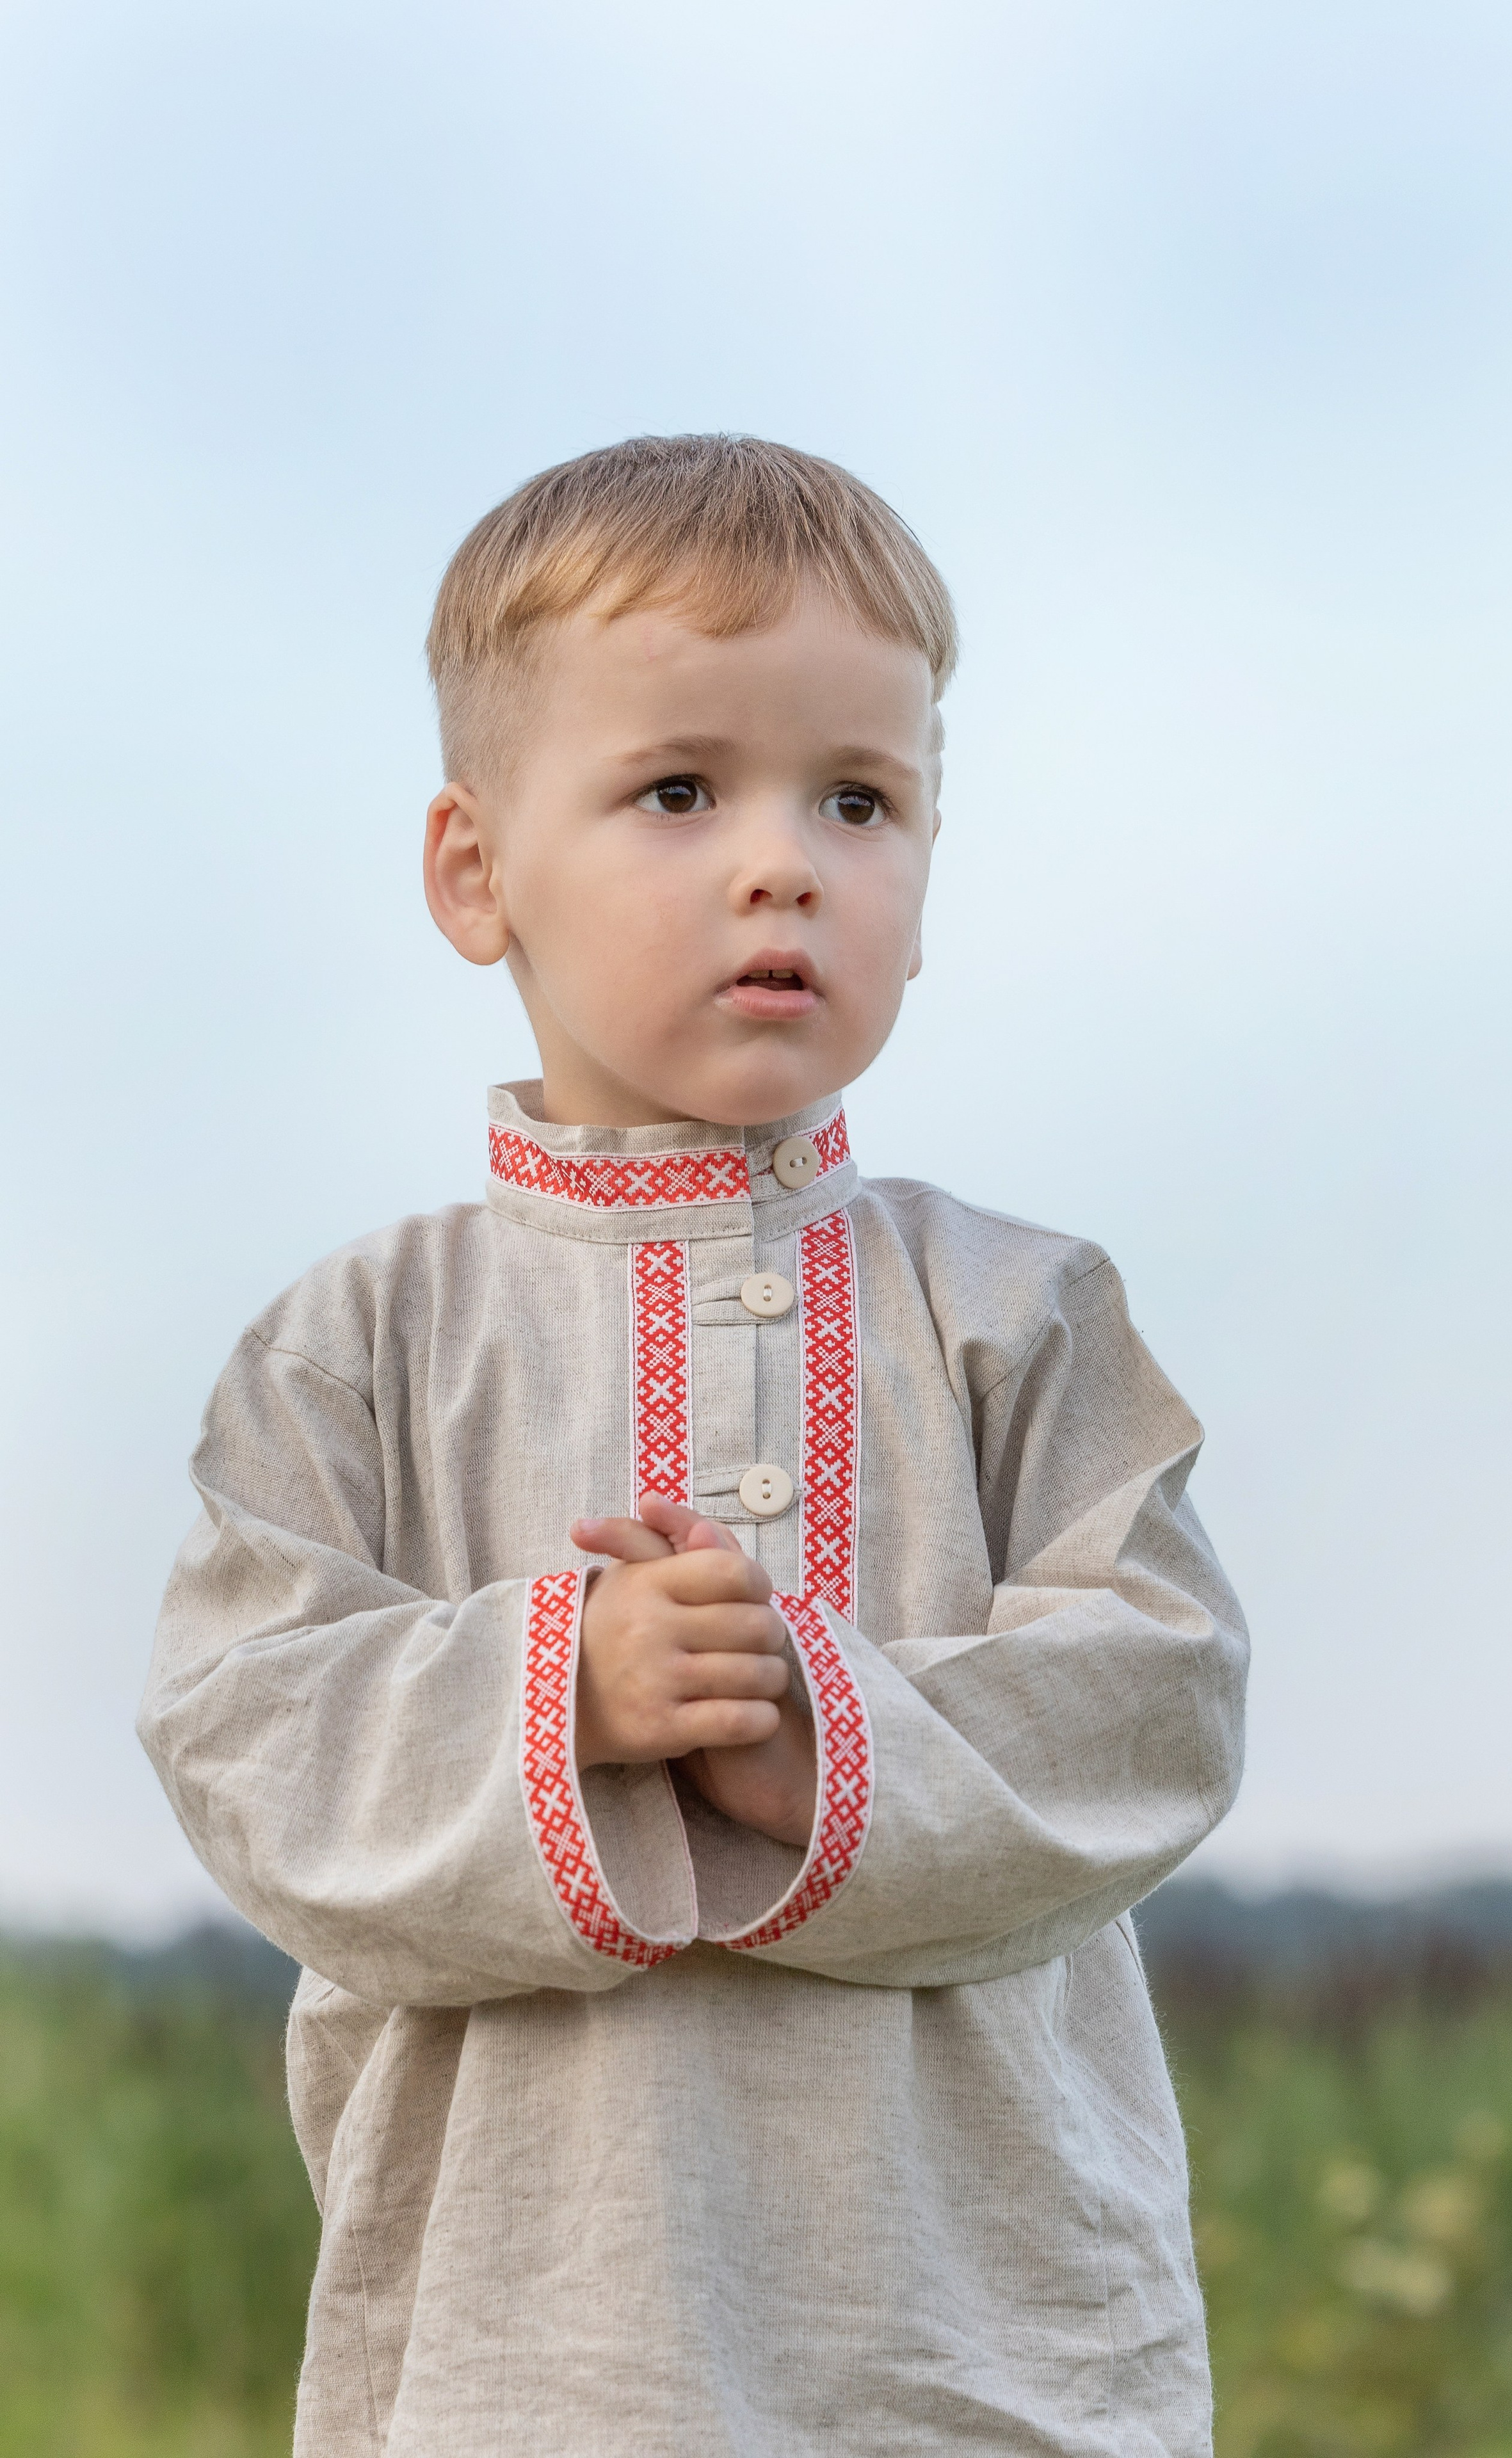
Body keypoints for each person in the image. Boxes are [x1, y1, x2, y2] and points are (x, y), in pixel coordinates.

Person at [140, 433, 1249, 2457]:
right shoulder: (361, 1346)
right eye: (680, 791)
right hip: (538, 2346)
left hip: (989, 2332)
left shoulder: (1019, 1308)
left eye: (860, 798)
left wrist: (822, 1744)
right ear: (477, 871)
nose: (785, 861)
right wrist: (560, 1689)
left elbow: (1163, 1703)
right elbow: (247, 1744)